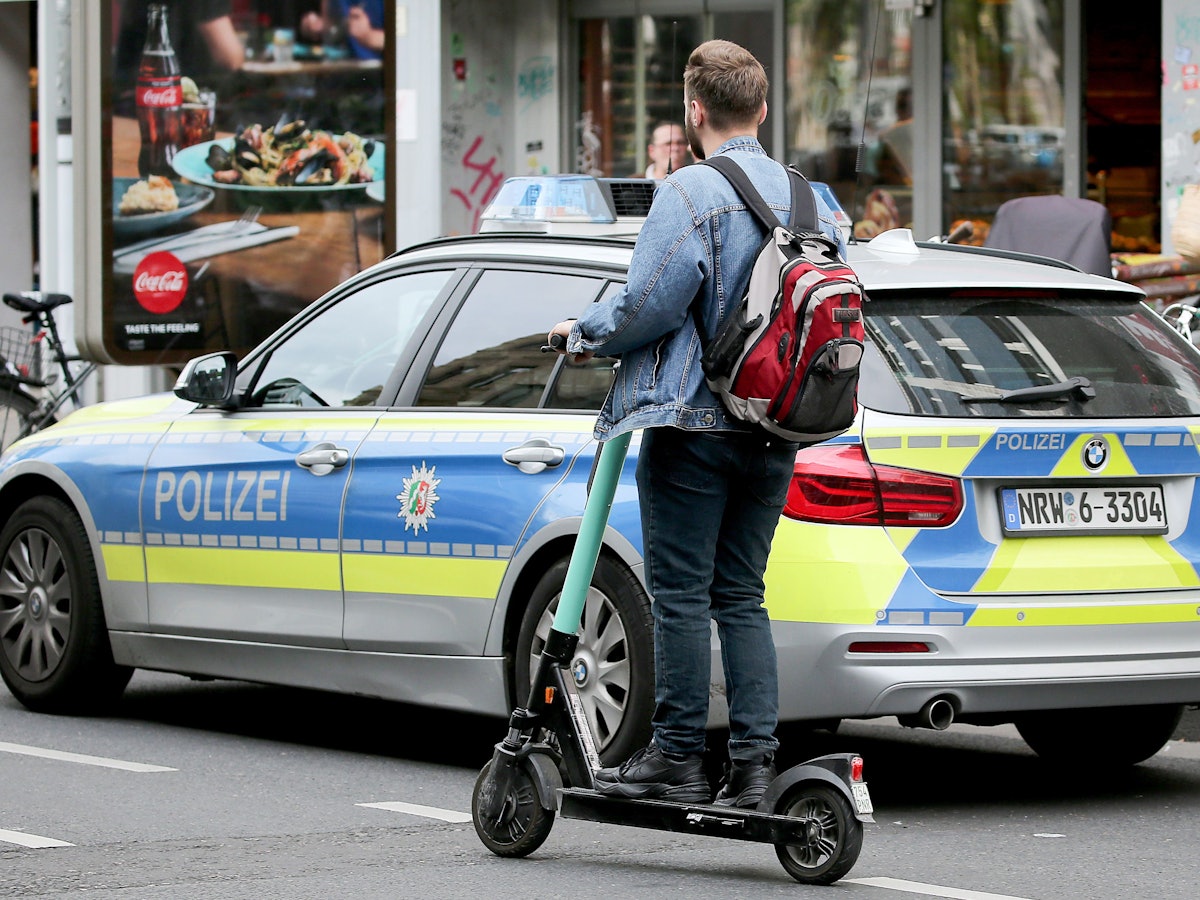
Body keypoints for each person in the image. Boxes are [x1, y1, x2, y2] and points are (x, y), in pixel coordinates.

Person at [548, 40, 847, 809]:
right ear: (765, 108)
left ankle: (678, 756)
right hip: (777, 426)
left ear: (694, 111)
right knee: (742, 594)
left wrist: (581, 331)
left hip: (693, 424)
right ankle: (753, 766)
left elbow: (648, 305)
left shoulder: (689, 193)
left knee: (681, 595)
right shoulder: (817, 202)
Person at [300, 1, 385, 60]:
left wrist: (369, 36)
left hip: (377, 70)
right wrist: (317, 25)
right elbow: (331, 26)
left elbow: (398, 42)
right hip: (340, 68)